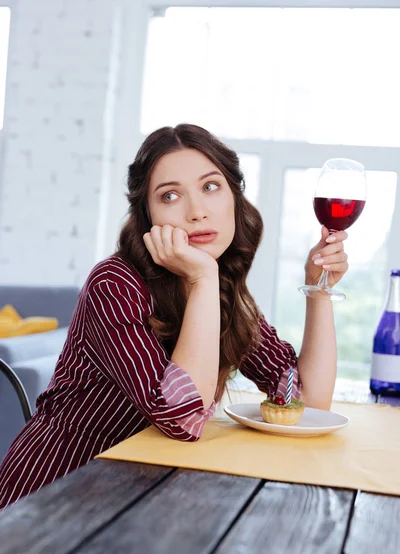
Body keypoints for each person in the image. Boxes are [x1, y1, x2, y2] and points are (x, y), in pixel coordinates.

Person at [0, 124, 348, 509]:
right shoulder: (115, 284)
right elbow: (183, 419)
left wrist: (318, 289)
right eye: (170, 195)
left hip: (141, 495)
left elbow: (307, 401)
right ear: (147, 216)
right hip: (55, 493)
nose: (197, 212)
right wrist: (201, 278)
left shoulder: (222, 286)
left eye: (210, 187)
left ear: (235, 196)